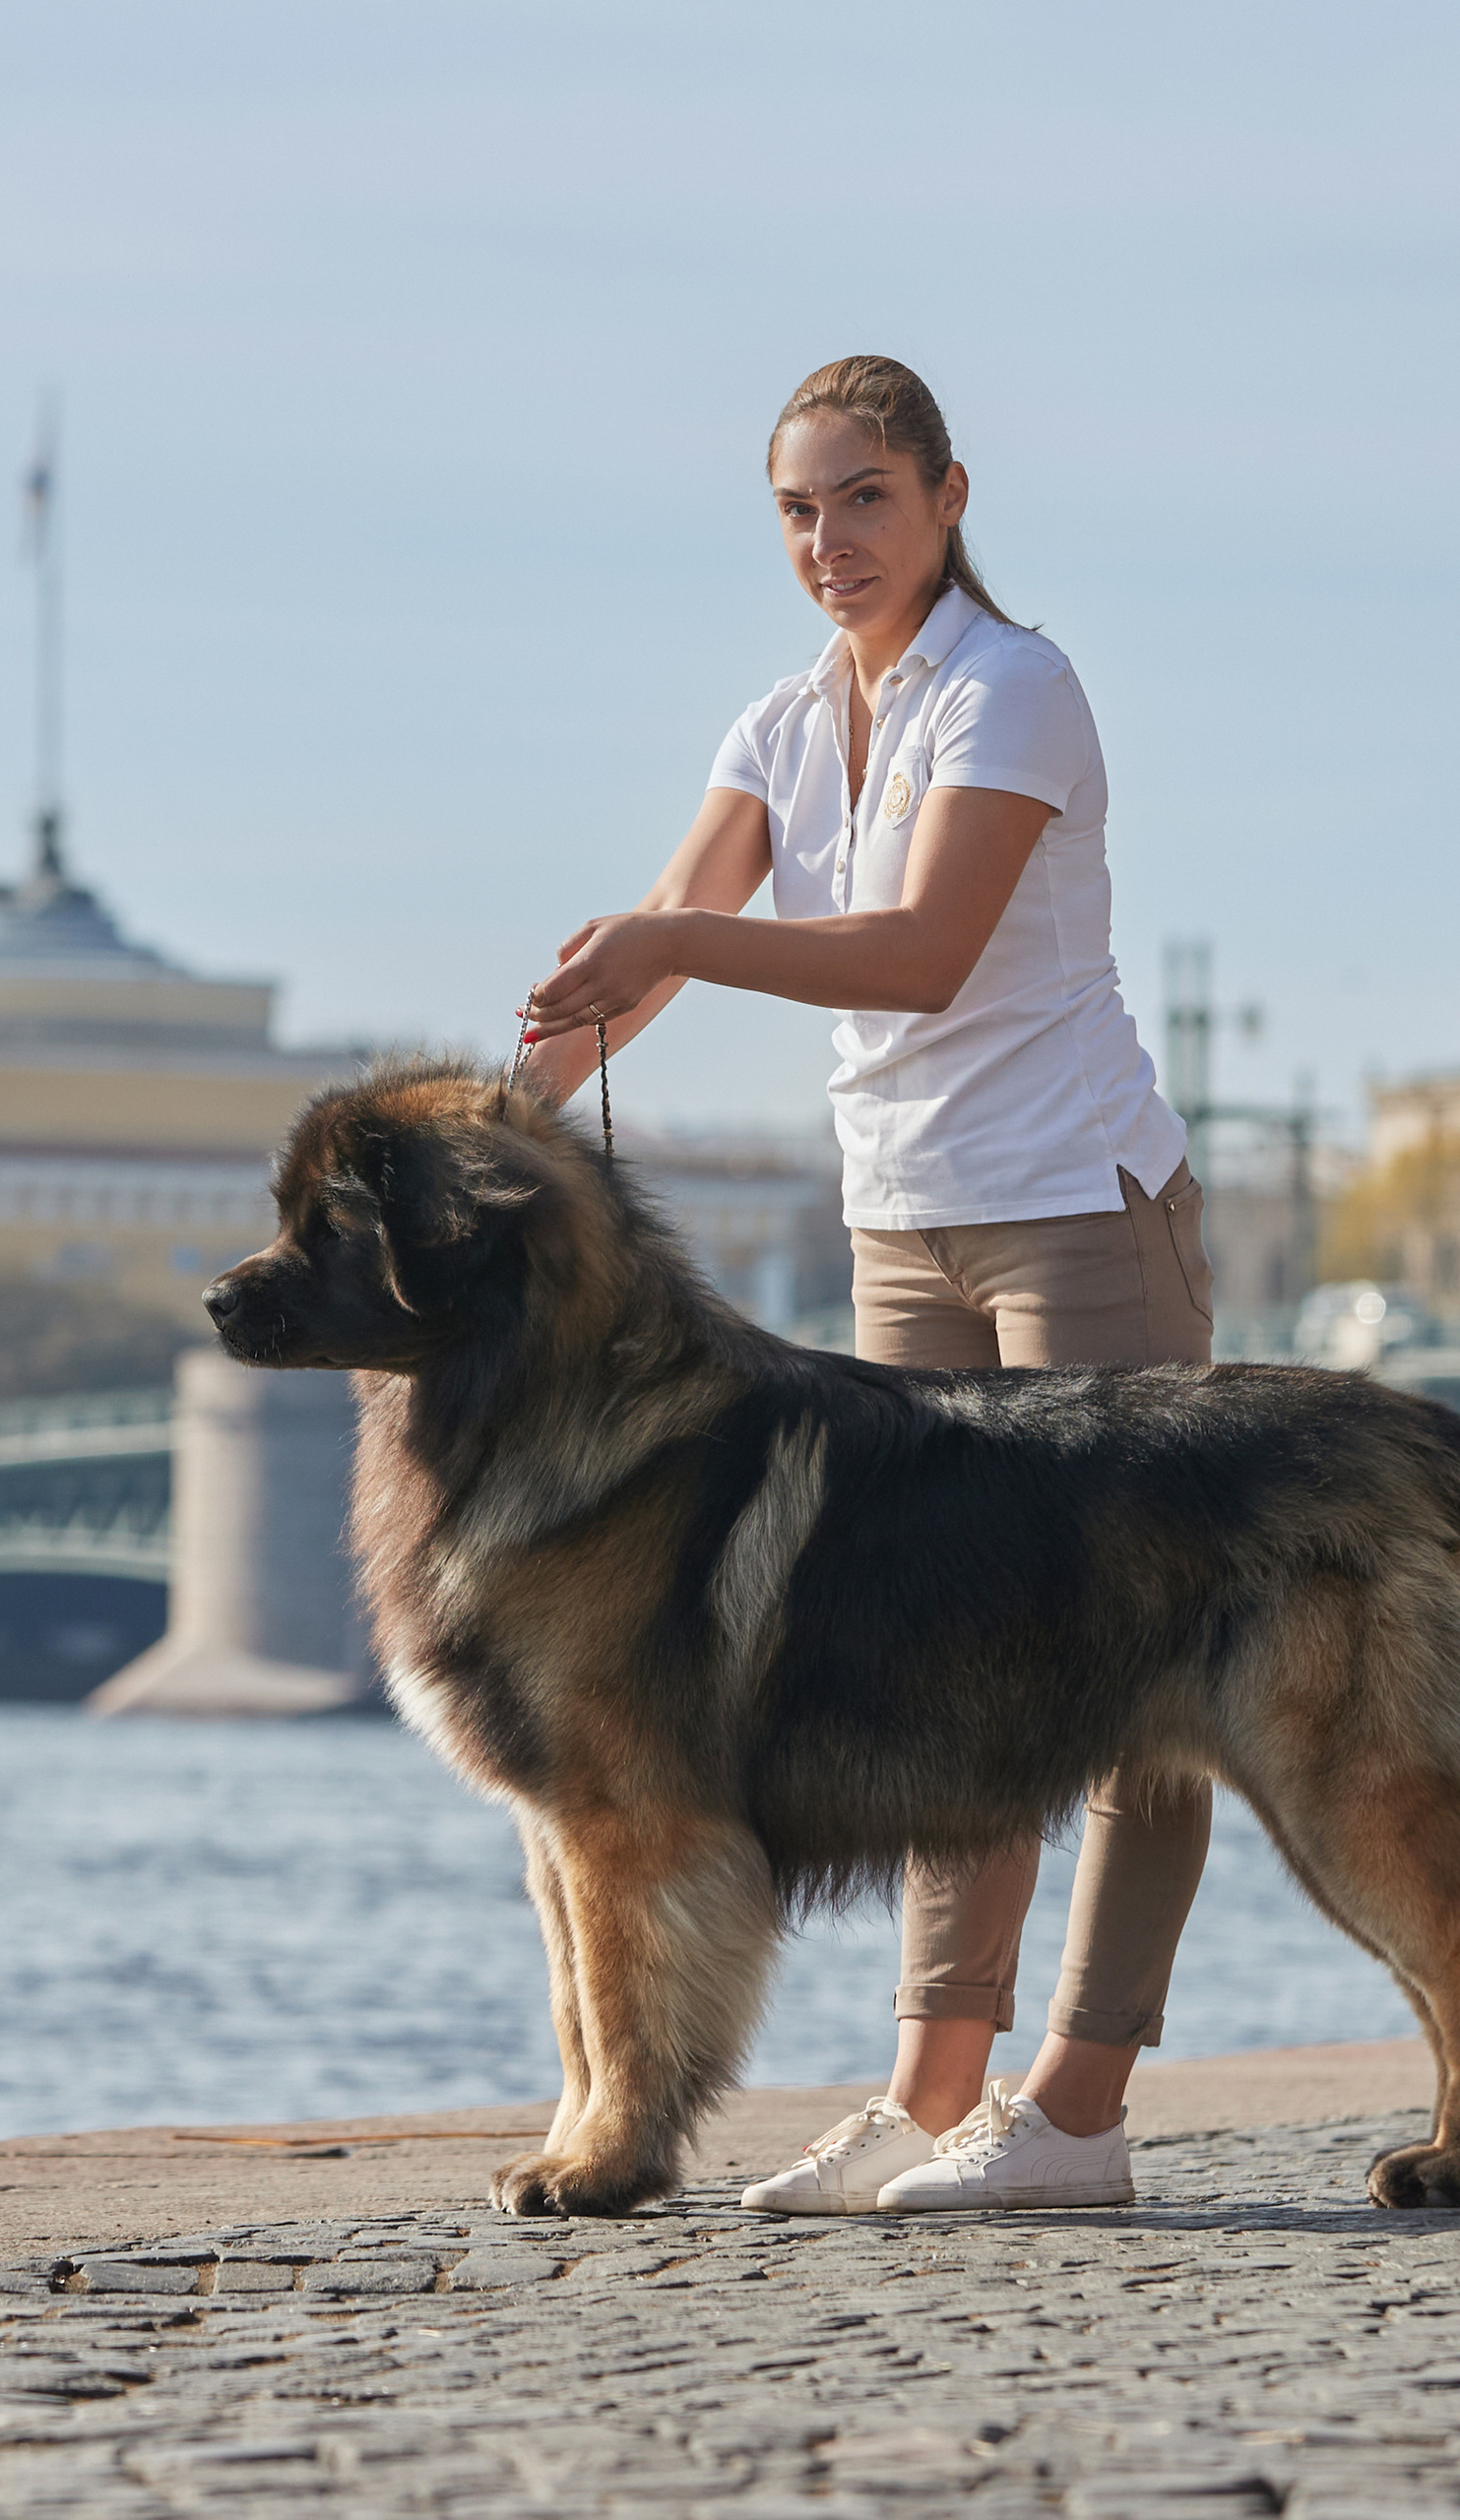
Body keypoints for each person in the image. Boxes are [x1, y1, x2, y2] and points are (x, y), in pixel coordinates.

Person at [517, 353, 1214, 2215]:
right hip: (902, 1236)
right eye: (798, 511)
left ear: (950, 496)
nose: (829, 542)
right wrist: (489, 1137)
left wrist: (674, 937)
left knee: (1153, 1665)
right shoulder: (775, 722)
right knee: (947, 1673)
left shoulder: (1016, 688)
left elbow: (918, 953)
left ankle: (1077, 2115)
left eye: (865, 499)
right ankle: (927, 2102)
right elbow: (637, 979)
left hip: (1079, 1211)